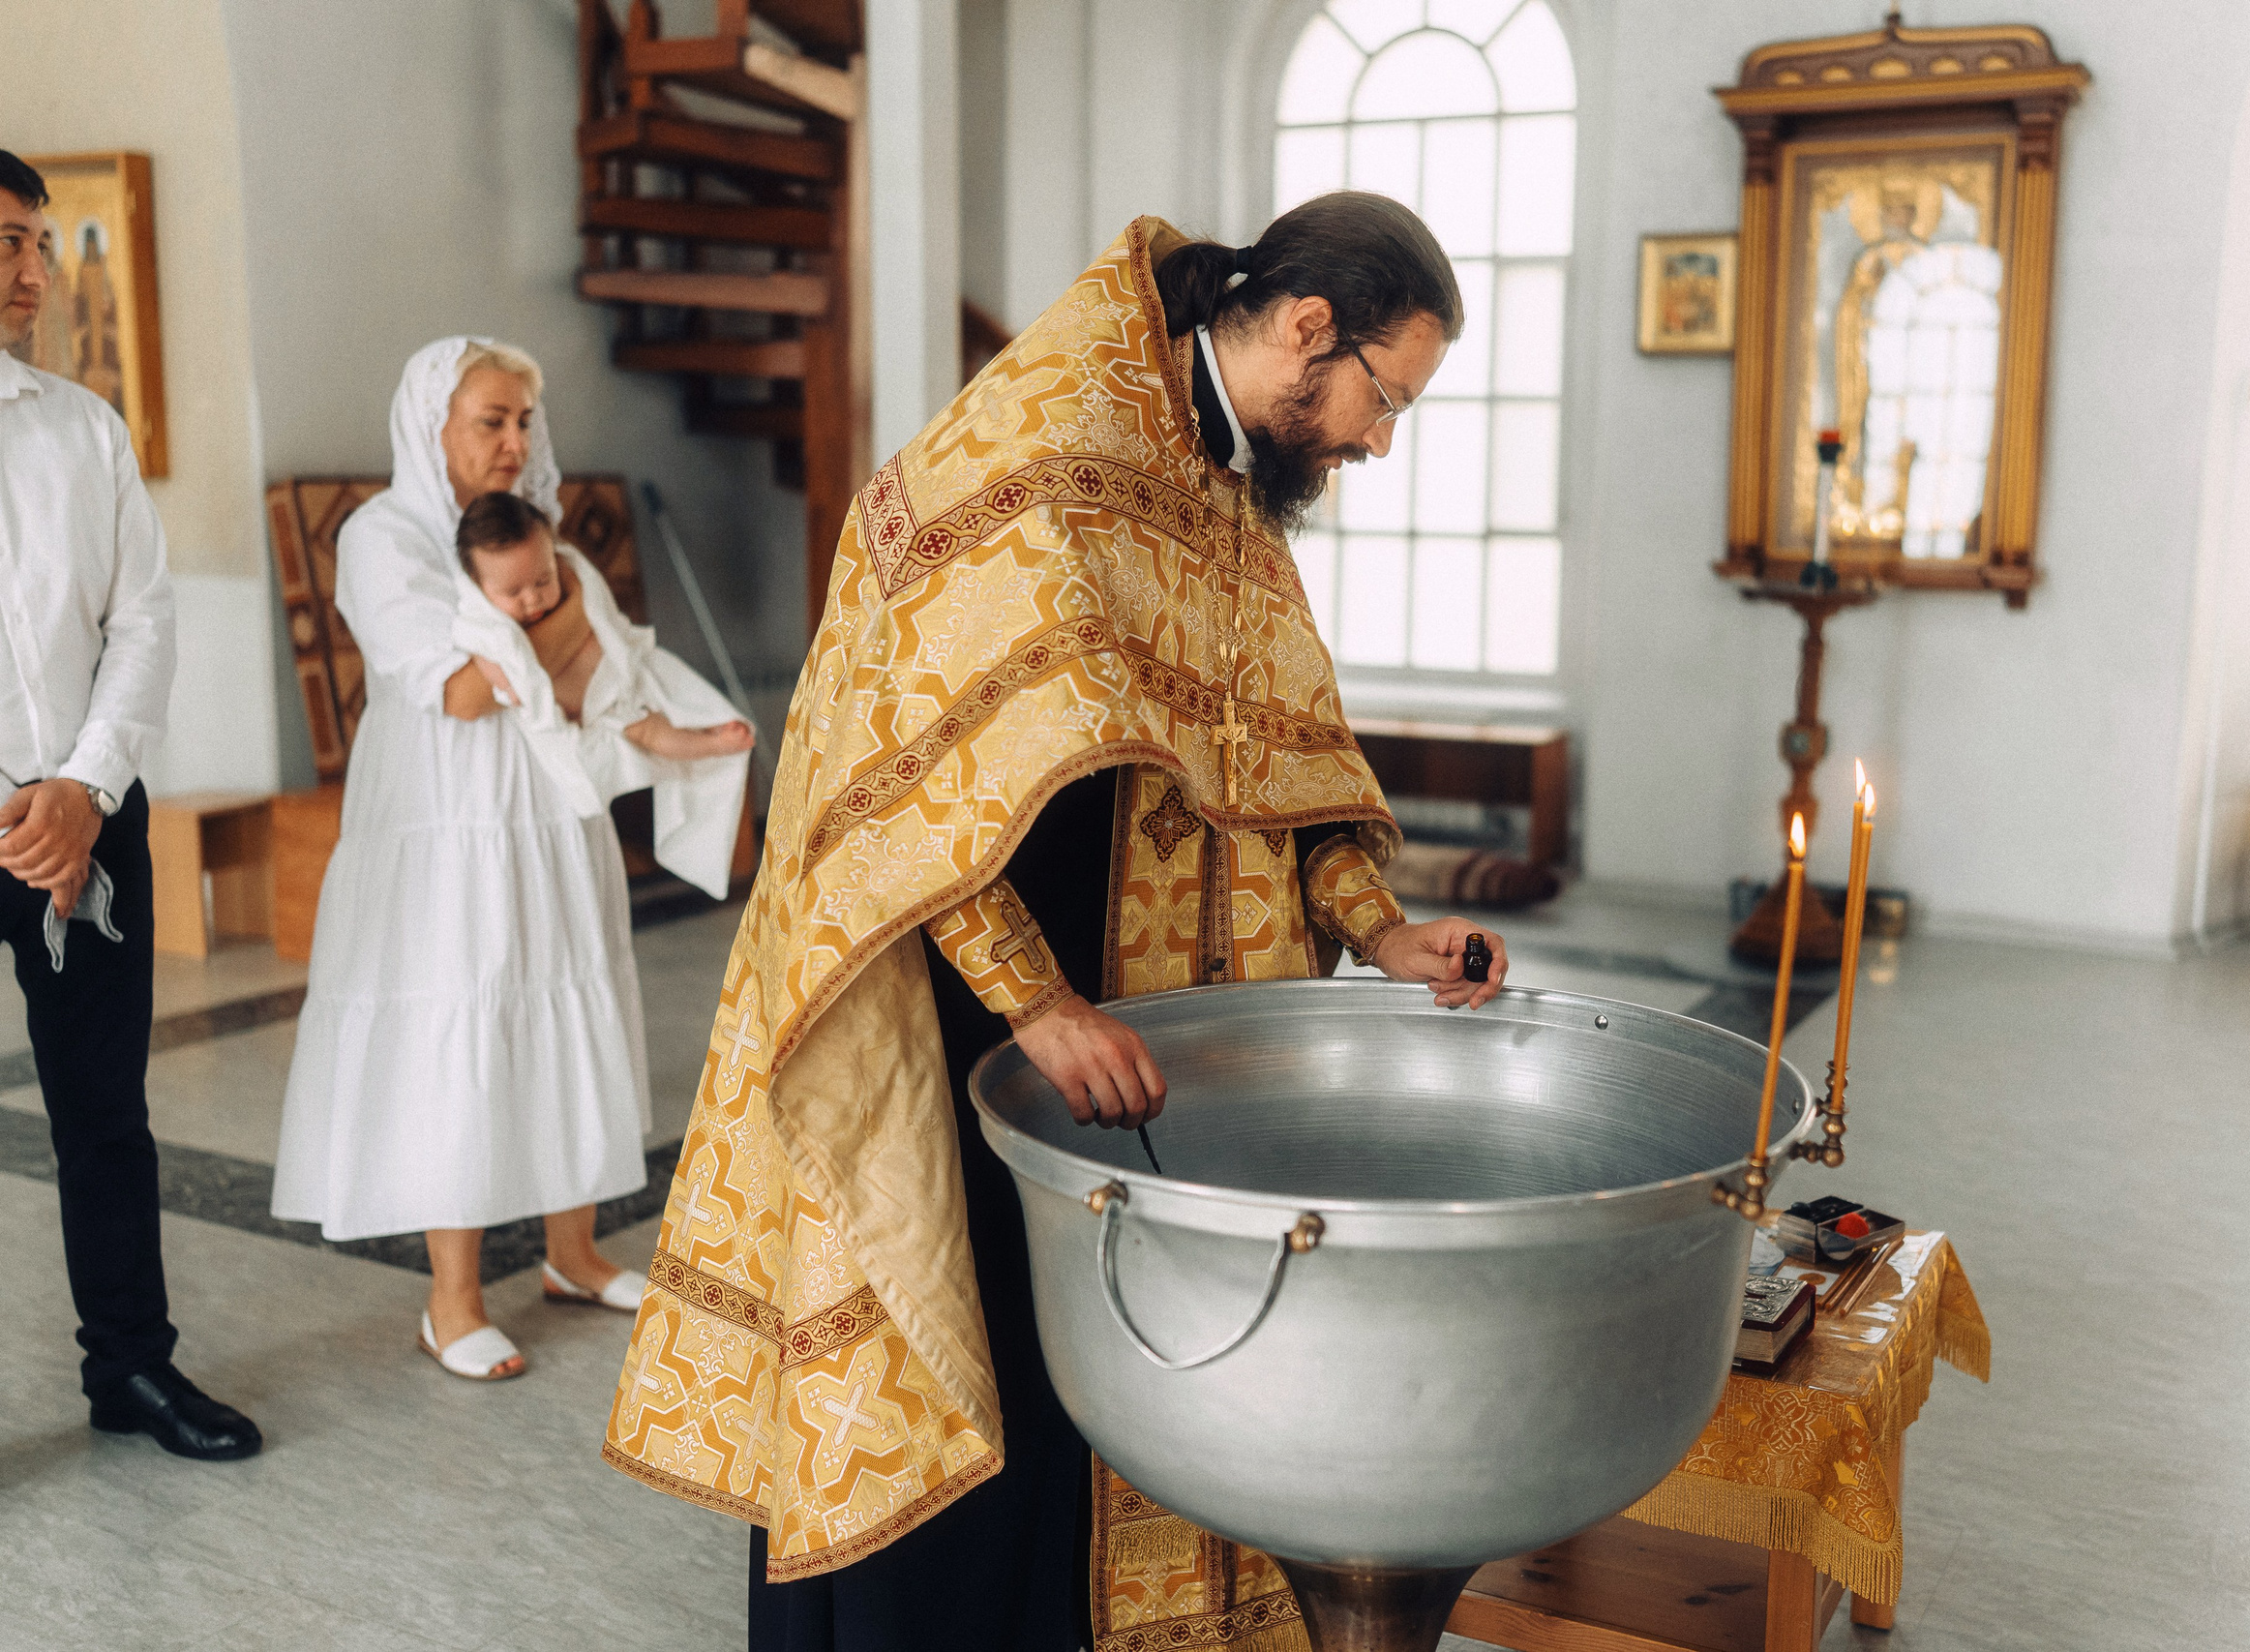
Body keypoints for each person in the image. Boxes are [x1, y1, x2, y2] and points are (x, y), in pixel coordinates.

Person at [602, 193, 1510, 1650]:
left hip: (1130, 1030)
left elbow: (1263, 747)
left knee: (1107, 1397)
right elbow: (897, 786)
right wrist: (1036, 1002)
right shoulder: (1045, 444)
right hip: (971, 1022)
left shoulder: (1225, 476)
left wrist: (1379, 922)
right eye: (1380, 397)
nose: (1375, 438)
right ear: (1305, 328)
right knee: (978, 1423)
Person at [272, 338, 655, 1382]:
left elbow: (587, 668)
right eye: (491, 419)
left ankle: (573, 1252)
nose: (514, 440)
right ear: (433, 422)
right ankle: (452, 1301)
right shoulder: (381, 537)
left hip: (547, 802)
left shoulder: (541, 535)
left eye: (525, 420)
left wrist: (546, 632)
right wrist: (557, 624)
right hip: (445, 816)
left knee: (565, 996)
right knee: (465, 1013)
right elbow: (456, 688)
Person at [0, 150, 260, 1460]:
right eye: (7, 242)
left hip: (82, 820)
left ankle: (132, 1368)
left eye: (39, 243)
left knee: (105, 1111)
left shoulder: (81, 430)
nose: (35, 273)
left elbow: (142, 624)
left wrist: (78, 792)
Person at [450, 491, 754, 894]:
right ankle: (702, 745)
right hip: (584, 714)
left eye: (543, 580)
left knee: (649, 727)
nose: (533, 598)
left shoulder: (572, 575)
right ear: (478, 587)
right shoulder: (479, 622)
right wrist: (506, 676)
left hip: (613, 688)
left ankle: (707, 743)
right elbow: (488, 658)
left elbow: (602, 612)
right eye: (513, 592)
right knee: (637, 734)